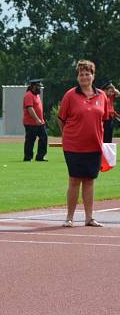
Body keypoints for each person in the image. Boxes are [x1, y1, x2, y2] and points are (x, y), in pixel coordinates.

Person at [58, 60, 113, 228]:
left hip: (94, 146)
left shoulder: (102, 96)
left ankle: (89, 218)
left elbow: (103, 120)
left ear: (93, 76)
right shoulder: (70, 95)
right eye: (81, 74)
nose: (84, 77)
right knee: (74, 180)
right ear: (77, 77)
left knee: (89, 181)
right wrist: (67, 135)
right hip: (73, 146)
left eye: (87, 73)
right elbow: (61, 119)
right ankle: (69, 218)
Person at [23, 79, 48, 161]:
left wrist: (42, 119)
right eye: (38, 86)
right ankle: (28, 157)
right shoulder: (28, 95)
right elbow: (30, 108)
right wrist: (37, 119)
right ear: (34, 86)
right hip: (31, 123)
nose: (39, 88)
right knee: (30, 141)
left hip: (40, 123)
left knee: (44, 138)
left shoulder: (36, 95)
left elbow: (39, 109)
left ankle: (40, 157)